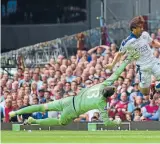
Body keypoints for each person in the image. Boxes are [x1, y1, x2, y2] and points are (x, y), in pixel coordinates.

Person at [9, 48, 140, 126]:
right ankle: (34, 121)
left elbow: (116, 73)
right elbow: (106, 122)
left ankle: (16, 112)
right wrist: (116, 122)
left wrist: (128, 60)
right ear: (109, 97)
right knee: (60, 122)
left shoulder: (102, 84)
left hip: (68, 99)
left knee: (43, 106)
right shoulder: (101, 102)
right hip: (72, 110)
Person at [105, 16, 160, 95]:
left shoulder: (144, 34)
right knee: (145, 93)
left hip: (153, 62)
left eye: (142, 27)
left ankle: (154, 88)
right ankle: (141, 86)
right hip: (143, 67)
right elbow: (119, 54)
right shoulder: (127, 42)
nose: (142, 29)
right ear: (133, 29)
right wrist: (112, 64)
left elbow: (152, 42)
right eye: (140, 27)